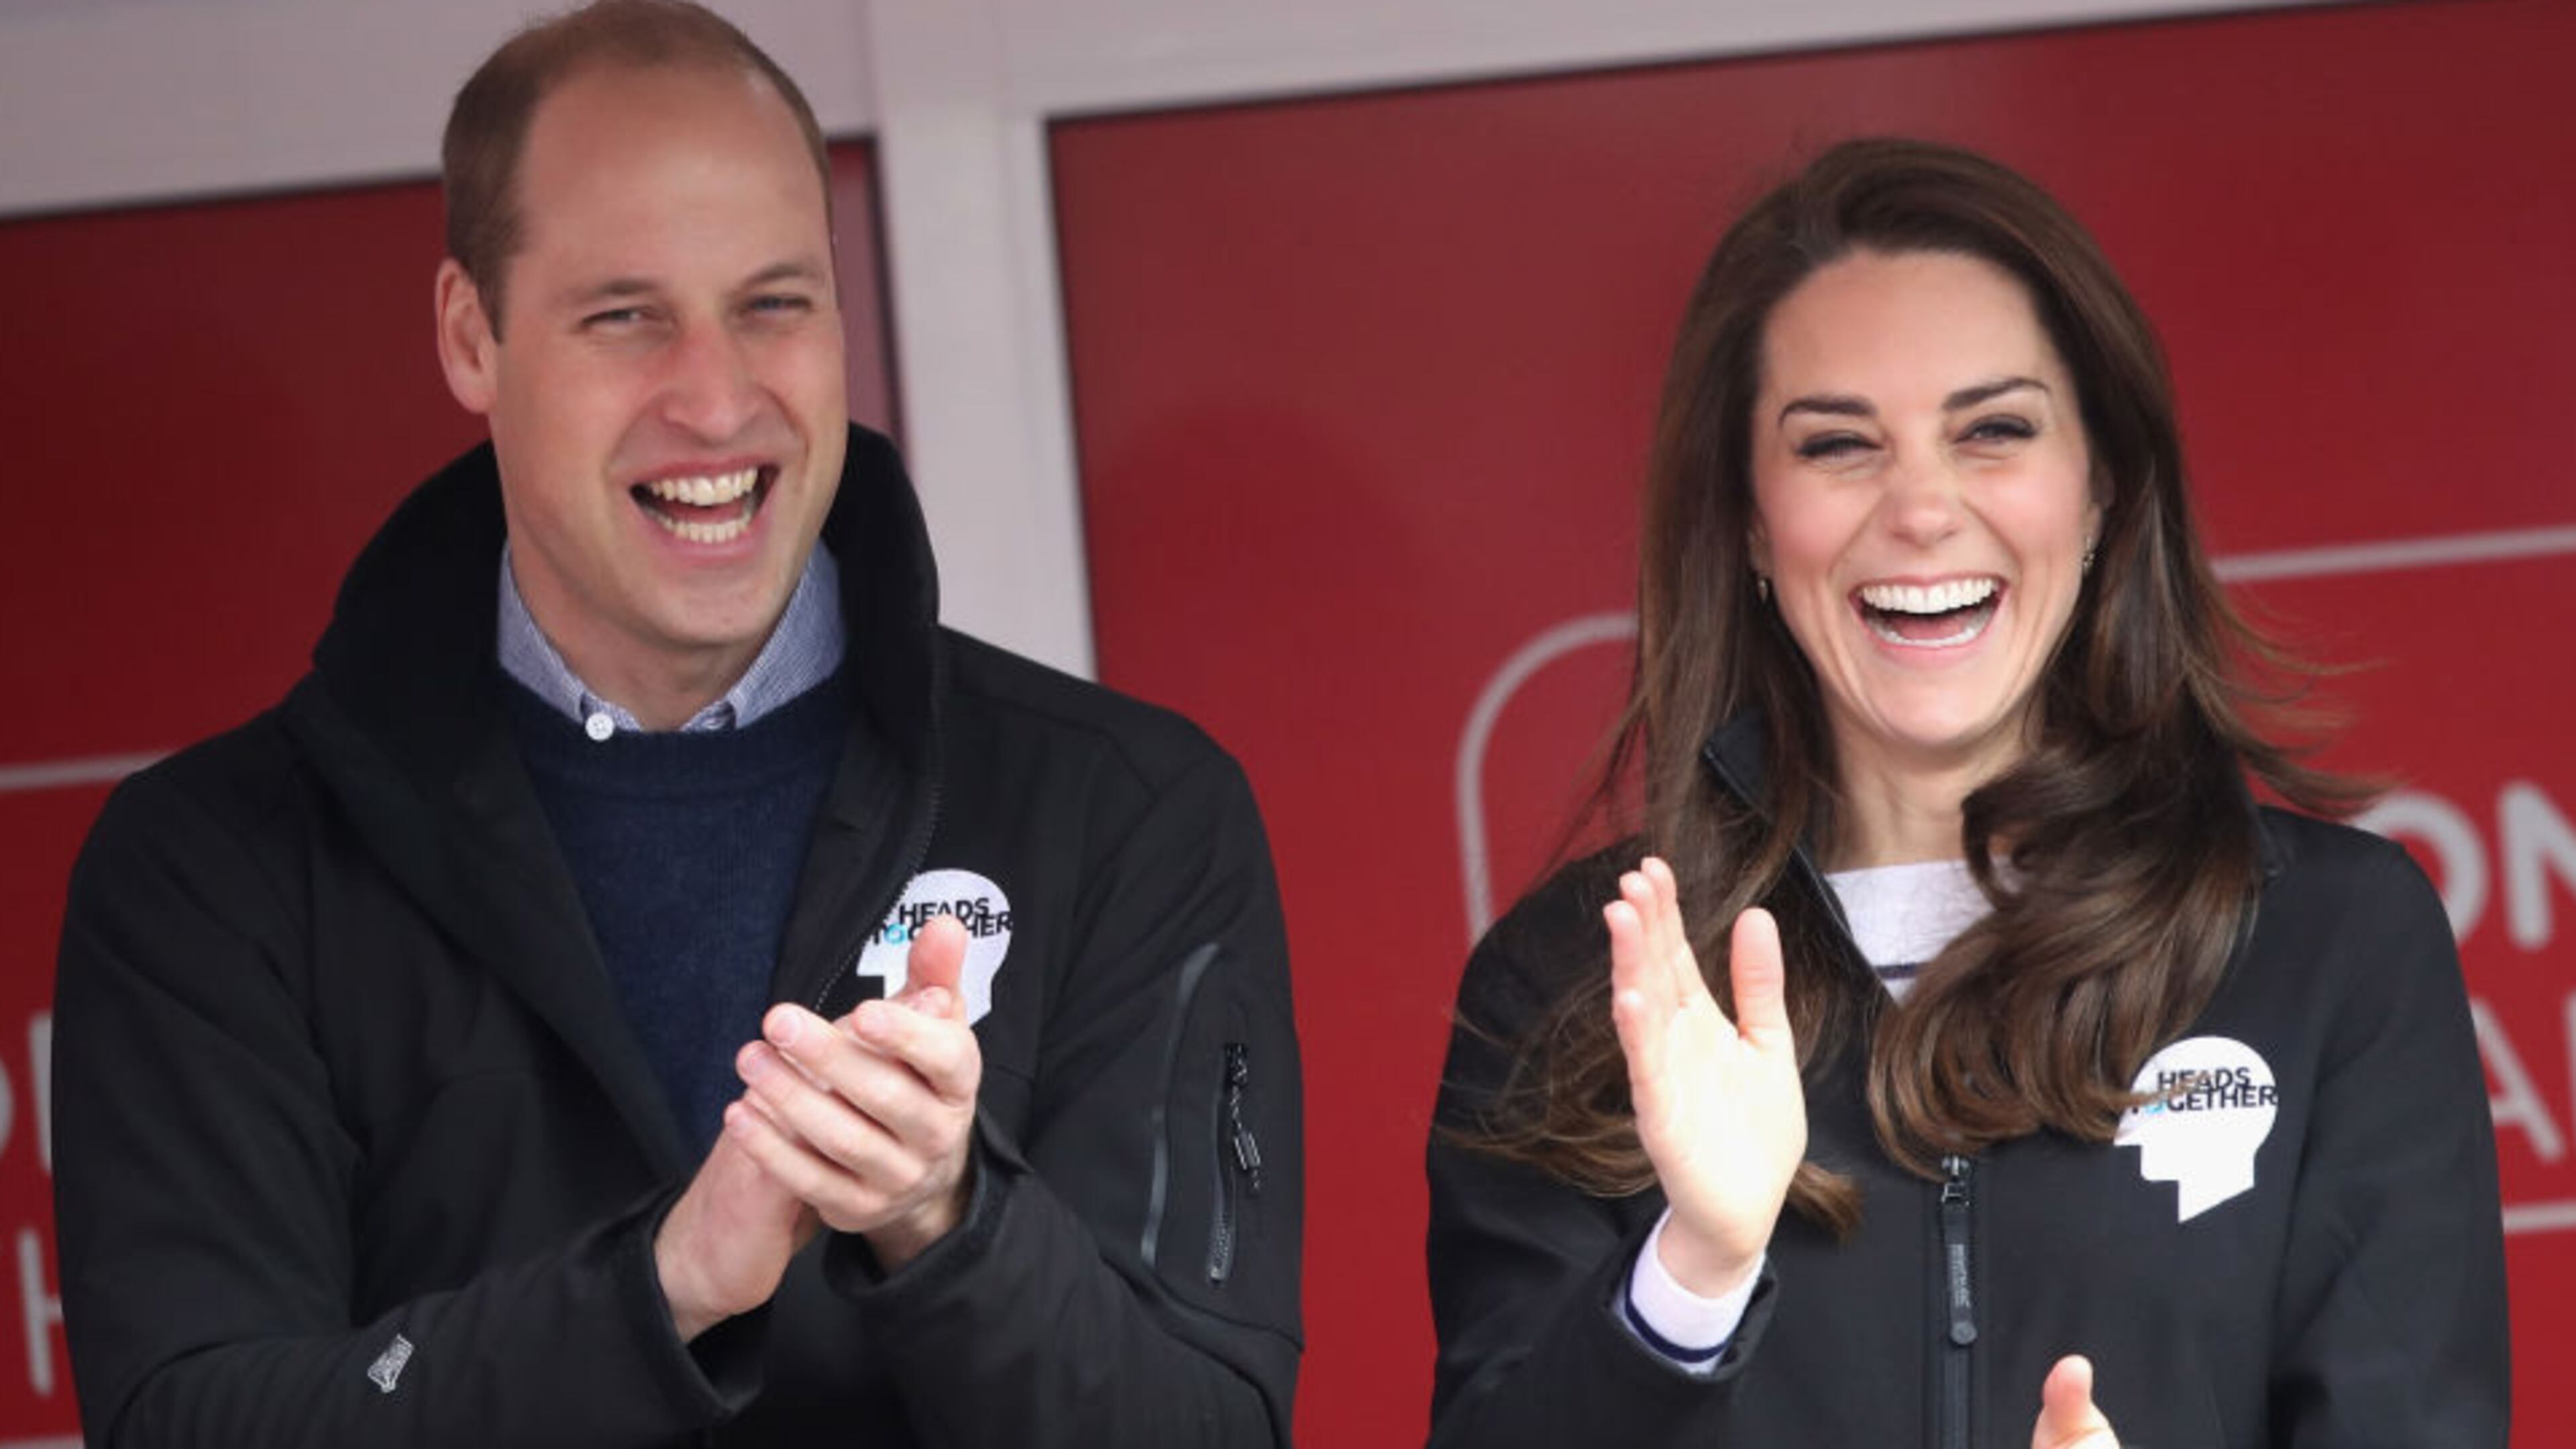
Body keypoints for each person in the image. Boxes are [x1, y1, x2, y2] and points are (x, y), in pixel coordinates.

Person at [50, 3, 1300, 1444]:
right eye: (625, 316)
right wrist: (660, 1290)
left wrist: (946, 1224)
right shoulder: (214, 870)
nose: (714, 400)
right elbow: (196, 1425)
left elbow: (1209, 1427)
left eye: (774, 302)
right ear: (472, 335)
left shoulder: (1126, 809)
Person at [1425, 138, 2506, 1448]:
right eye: (1838, 445)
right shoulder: (1578, 990)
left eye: (1994, 430)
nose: (1923, 511)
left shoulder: (2331, 942)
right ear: (1755, 525)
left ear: (2103, 484)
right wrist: (1692, 1274)